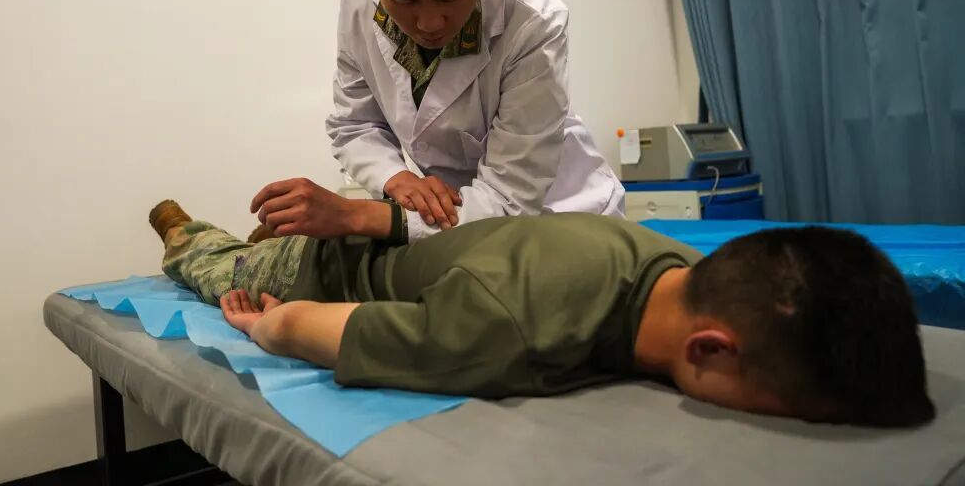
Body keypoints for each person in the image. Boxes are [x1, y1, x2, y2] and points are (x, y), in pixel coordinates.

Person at [149, 194, 935, 427]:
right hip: (330, 265)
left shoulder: (691, 267)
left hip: (445, 247)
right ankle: (188, 229)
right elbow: (301, 325)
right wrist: (261, 322)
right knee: (215, 266)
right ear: (711, 350)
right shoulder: (511, 330)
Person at [302, 0, 624, 243]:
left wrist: (364, 216)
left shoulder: (533, 22)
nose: (429, 23)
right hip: (455, 226)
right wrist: (396, 177)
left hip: (560, 214)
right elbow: (355, 125)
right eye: (404, 0)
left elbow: (510, 198)